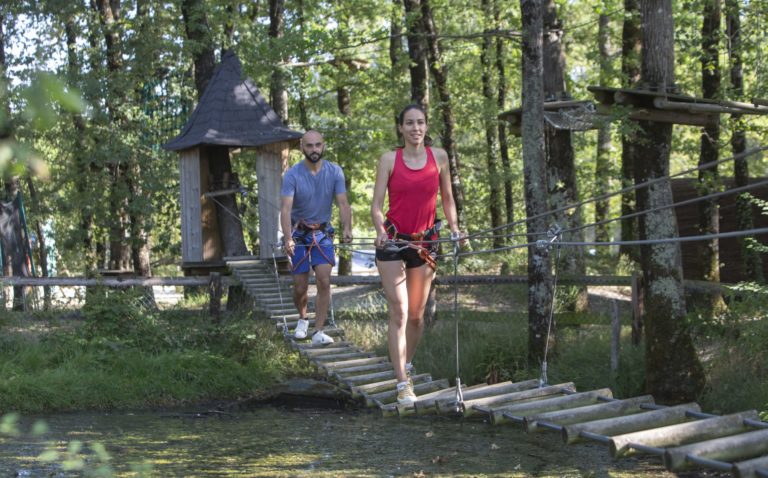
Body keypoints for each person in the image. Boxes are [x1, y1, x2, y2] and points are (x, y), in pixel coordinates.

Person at [370, 104, 463, 405]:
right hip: (393, 241)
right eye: (409, 123)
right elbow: (376, 205)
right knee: (399, 311)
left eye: (420, 122)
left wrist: (454, 227)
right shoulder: (388, 160)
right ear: (400, 128)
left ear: (426, 125)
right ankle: (401, 384)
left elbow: (447, 198)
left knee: (417, 317)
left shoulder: (440, 158)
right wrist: (379, 228)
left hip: (425, 243)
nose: (415, 128)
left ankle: (404, 366)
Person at [281, 129, 352, 345]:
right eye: (309, 145)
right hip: (299, 234)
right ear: (302, 148)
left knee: (324, 280)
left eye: (317, 145)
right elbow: (285, 209)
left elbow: (343, 203)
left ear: (324, 146)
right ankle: (303, 319)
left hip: (322, 234)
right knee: (300, 286)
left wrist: (347, 228)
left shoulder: (335, 171)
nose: (314, 149)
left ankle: (318, 331)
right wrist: (287, 238)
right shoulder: (292, 175)